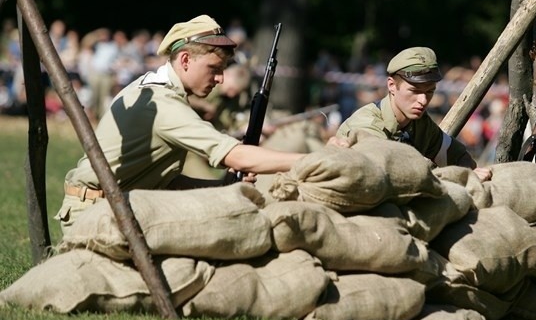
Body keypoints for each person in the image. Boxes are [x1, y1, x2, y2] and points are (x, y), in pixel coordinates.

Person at [56, 15, 348, 234]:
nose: (220, 79)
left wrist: (221, 188)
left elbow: (165, 182)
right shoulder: (162, 103)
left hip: (111, 207)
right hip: (95, 215)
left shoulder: (159, 91)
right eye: (214, 69)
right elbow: (236, 155)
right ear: (185, 59)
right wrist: (316, 160)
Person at [336, 46, 492, 182]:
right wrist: (459, 178)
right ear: (391, 85)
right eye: (415, 91)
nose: (423, 100)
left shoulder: (419, 124)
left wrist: (470, 173)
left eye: (430, 91)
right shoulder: (366, 126)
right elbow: (396, 178)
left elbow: (457, 156)